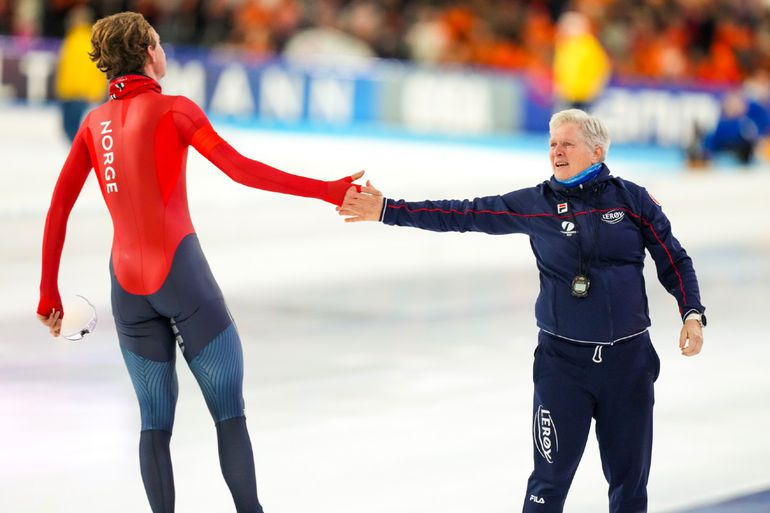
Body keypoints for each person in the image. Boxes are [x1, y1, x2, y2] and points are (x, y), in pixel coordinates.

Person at [36, 11, 361, 513]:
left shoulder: (92, 124)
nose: (164, 51)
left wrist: (48, 294)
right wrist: (327, 190)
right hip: (181, 277)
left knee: (154, 425)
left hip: (127, 287)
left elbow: (58, 207)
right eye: (159, 44)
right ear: (148, 54)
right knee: (229, 415)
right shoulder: (175, 110)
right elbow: (241, 169)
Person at [338, 109, 705, 513]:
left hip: (629, 364)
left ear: (597, 151)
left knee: (630, 486)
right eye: (552, 144)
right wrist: (388, 209)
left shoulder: (632, 199)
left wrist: (692, 313)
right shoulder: (537, 204)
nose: (556, 152)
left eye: (567, 144)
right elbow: (463, 214)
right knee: (547, 486)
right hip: (564, 367)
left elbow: (674, 258)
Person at [55, 6, 106, 142]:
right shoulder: (71, 39)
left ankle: (83, 159)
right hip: (69, 93)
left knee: (73, 130)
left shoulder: (91, 40)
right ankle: (80, 158)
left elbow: (97, 69)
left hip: (80, 93)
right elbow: (65, 67)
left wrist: (96, 91)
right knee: (69, 129)